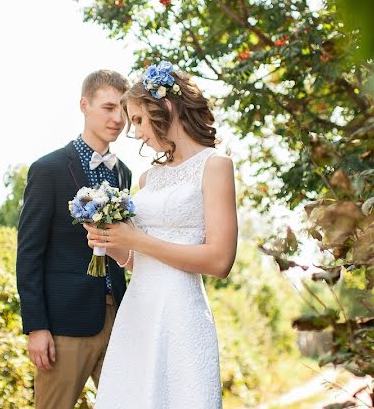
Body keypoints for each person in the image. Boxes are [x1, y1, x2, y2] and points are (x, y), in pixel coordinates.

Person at [84, 60, 238, 408]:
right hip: (138, 311)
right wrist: (111, 244)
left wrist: (136, 240)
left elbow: (219, 260)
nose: (135, 132)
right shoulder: (147, 180)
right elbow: (139, 261)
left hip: (180, 312)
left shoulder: (215, 166)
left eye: (138, 120)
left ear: (166, 106)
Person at [16, 69, 134, 409]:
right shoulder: (48, 169)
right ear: (84, 105)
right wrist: (36, 327)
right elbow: (29, 254)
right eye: (109, 108)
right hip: (64, 325)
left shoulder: (122, 172)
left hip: (118, 319)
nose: (118, 119)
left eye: (123, 111)